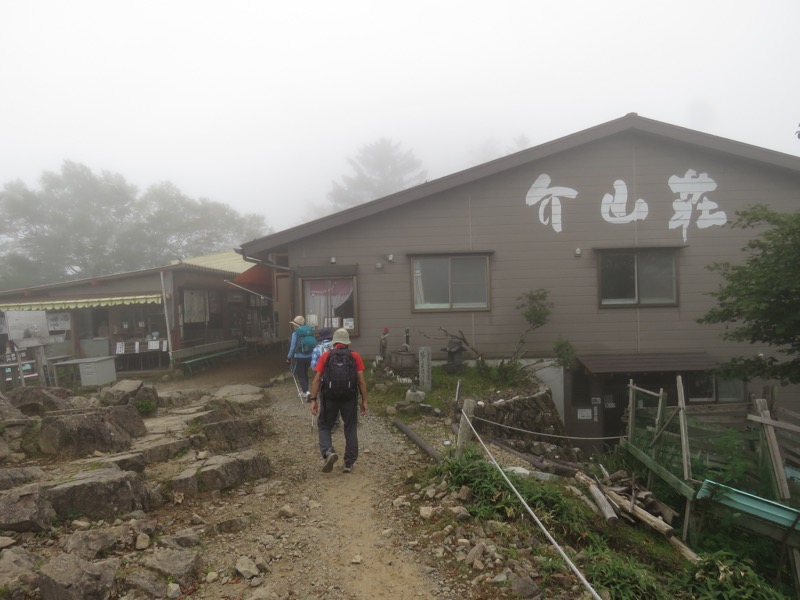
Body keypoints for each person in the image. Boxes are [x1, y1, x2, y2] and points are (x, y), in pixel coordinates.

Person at [309, 328, 368, 473]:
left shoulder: (326, 356)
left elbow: (317, 379)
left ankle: (328, 452)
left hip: (330, 397)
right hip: (349, 397)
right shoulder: (354, 356)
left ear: (334, 342)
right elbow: (361, 380)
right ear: (347, 342)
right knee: (350, 427)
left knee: (324, 426)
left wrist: (313, 399)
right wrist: (364, 400)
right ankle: (348, 463)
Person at [286, 315, 313, 401]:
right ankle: (305, 390)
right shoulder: (309, 331)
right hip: (309, 356)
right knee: (305, 374)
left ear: (296, 325)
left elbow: (292, 347)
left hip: (300, 358)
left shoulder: (295, 333)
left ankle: (306, 392)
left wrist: (288, 357)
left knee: (301, 375)